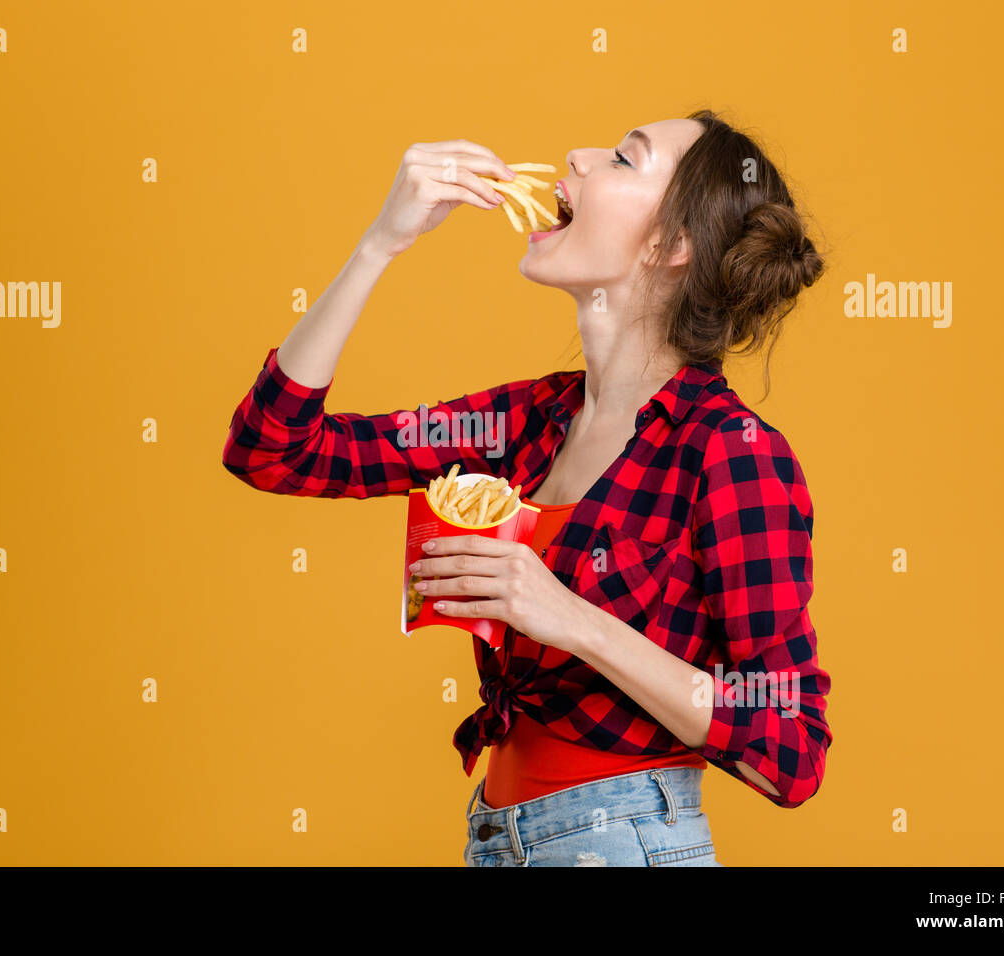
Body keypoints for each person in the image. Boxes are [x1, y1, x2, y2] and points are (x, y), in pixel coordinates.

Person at [222, 109, 831, 867]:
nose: (575, 154)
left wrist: (567, 617)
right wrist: (382, 244)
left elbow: (790, 744)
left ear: (672, 246)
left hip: (626, 840)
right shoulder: (524, 422)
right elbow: (274, 450)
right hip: (499, 838)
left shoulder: (731, 454)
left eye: (622, 158)